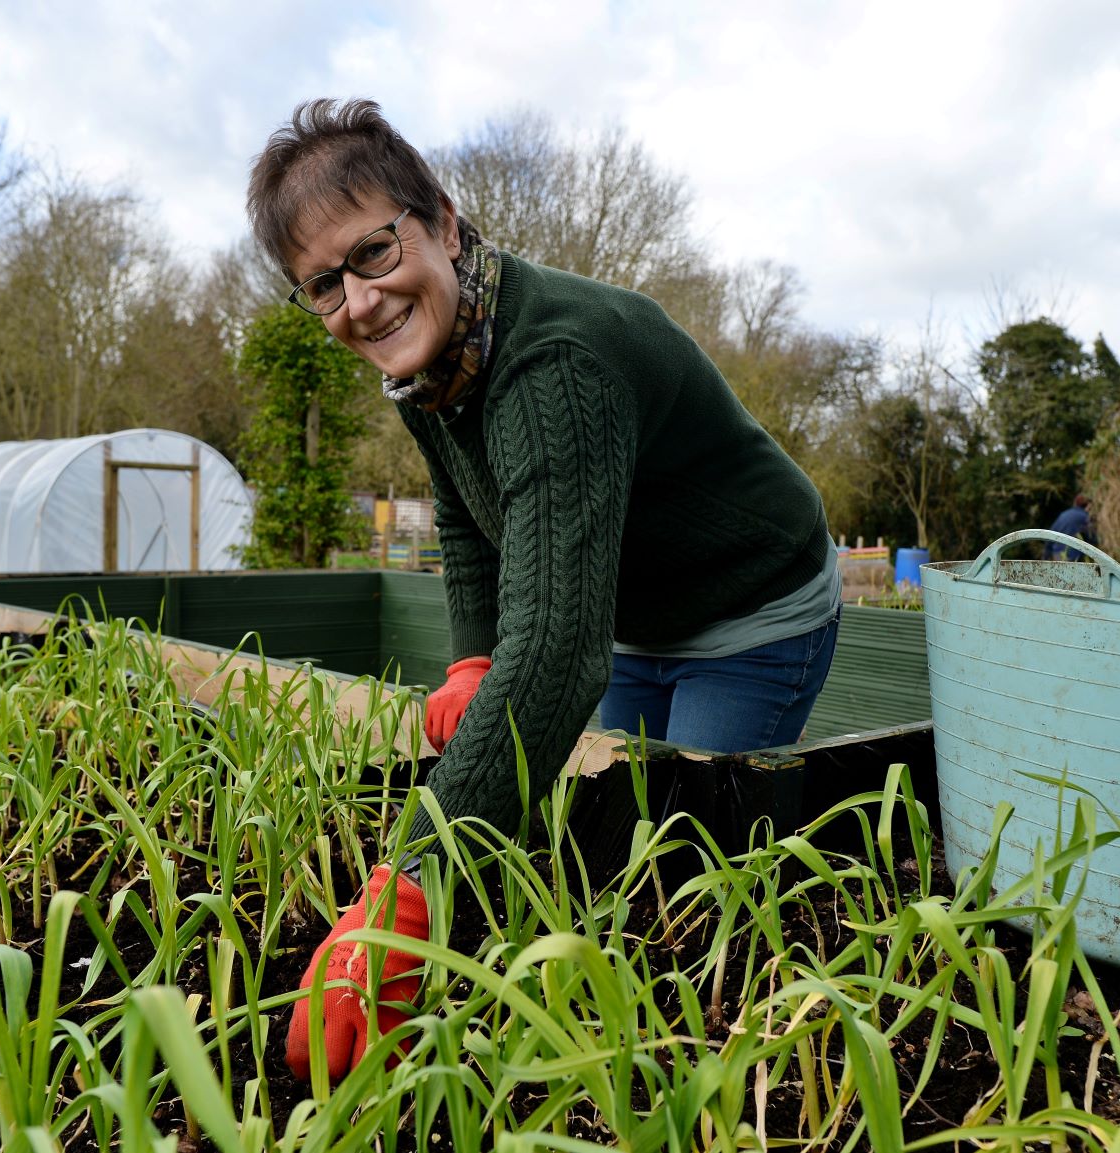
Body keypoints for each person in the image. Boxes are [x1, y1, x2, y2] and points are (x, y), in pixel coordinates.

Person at [247, 98, 841, 1080]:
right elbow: (463, 516)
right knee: (608, 844)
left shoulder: (551, 361)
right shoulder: (431, 366)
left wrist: (410, 883)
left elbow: (559, 655)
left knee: (697, 867)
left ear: (438, 219)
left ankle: (731, 1072)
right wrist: (473, 652)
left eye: (373, 252)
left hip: (748, 604)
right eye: (321, 284)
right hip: (628, 610)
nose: (357, 301)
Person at [1046, 494, 1096, 560]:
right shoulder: (1085, 517)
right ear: (1087, 506)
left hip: (1057, 554)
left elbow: (1050, 535)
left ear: (1075, 503)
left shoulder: (1063, 515)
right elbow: (1092, 538)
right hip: (1073, 556)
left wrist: (1046, 555)